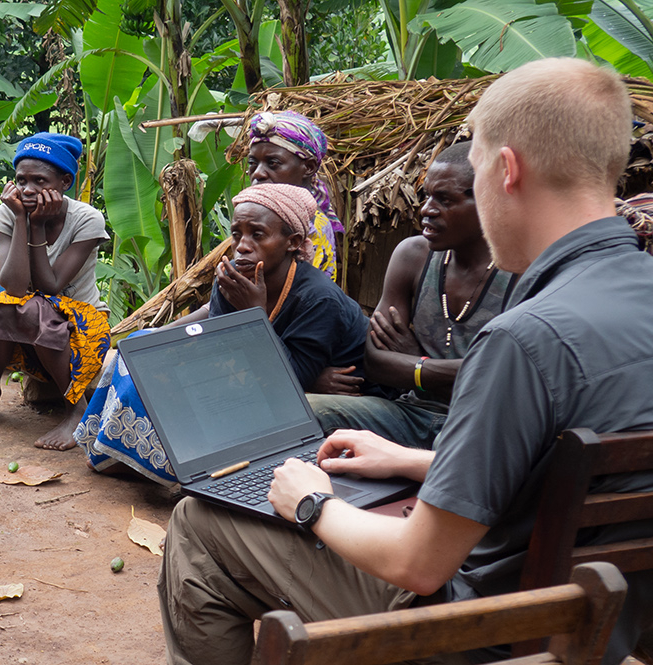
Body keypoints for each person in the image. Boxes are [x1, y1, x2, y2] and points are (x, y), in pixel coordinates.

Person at [160, 58, 653, 665]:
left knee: (197, 523)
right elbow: (553, 468)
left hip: (480, 627)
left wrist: (311, 502)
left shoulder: (523, 340)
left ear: (505, 171)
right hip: (608, 615)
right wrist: (415, 459)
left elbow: (417, 565)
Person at [77, 183, 371, 485]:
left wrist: (252, 315)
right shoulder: (232, 280)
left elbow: (289, 386)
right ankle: (123, 447)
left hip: (319, 402)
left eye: (257, 234)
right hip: (263, 378)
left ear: (293, 242)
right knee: (144, 351)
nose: (242, 245)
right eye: (237, 234)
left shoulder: (318, 298)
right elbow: (214, 352)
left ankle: (165, 464)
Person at [307, 142, 517, 449]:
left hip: (481, 425)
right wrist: (457, 370)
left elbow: (503, 385)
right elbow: (377, 363)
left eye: (444, 199)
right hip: (410, 413)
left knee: (462, 451)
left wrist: (416, 361)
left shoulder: (521, 270)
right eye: (426, 196)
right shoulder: (413, 256)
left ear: (488, 199)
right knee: (305, 412)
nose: (426, 209)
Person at [0, 132, 111, 451]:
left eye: (40, 181)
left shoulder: (87, 220)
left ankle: (76, 411)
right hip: (29, 320)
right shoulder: (9, 212)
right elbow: (13, 285)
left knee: (36, 307)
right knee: (2, 305)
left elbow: (50, 287)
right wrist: (21, 219)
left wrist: (37, 225)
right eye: (21, 180)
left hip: (82, 325)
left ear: (64, 182)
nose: (28, 190)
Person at [245, 110, 343, 280]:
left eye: (273, 163)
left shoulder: (310, 227)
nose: (258, 173)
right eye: (253, 163)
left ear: (309, 167)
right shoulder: (262, 217)